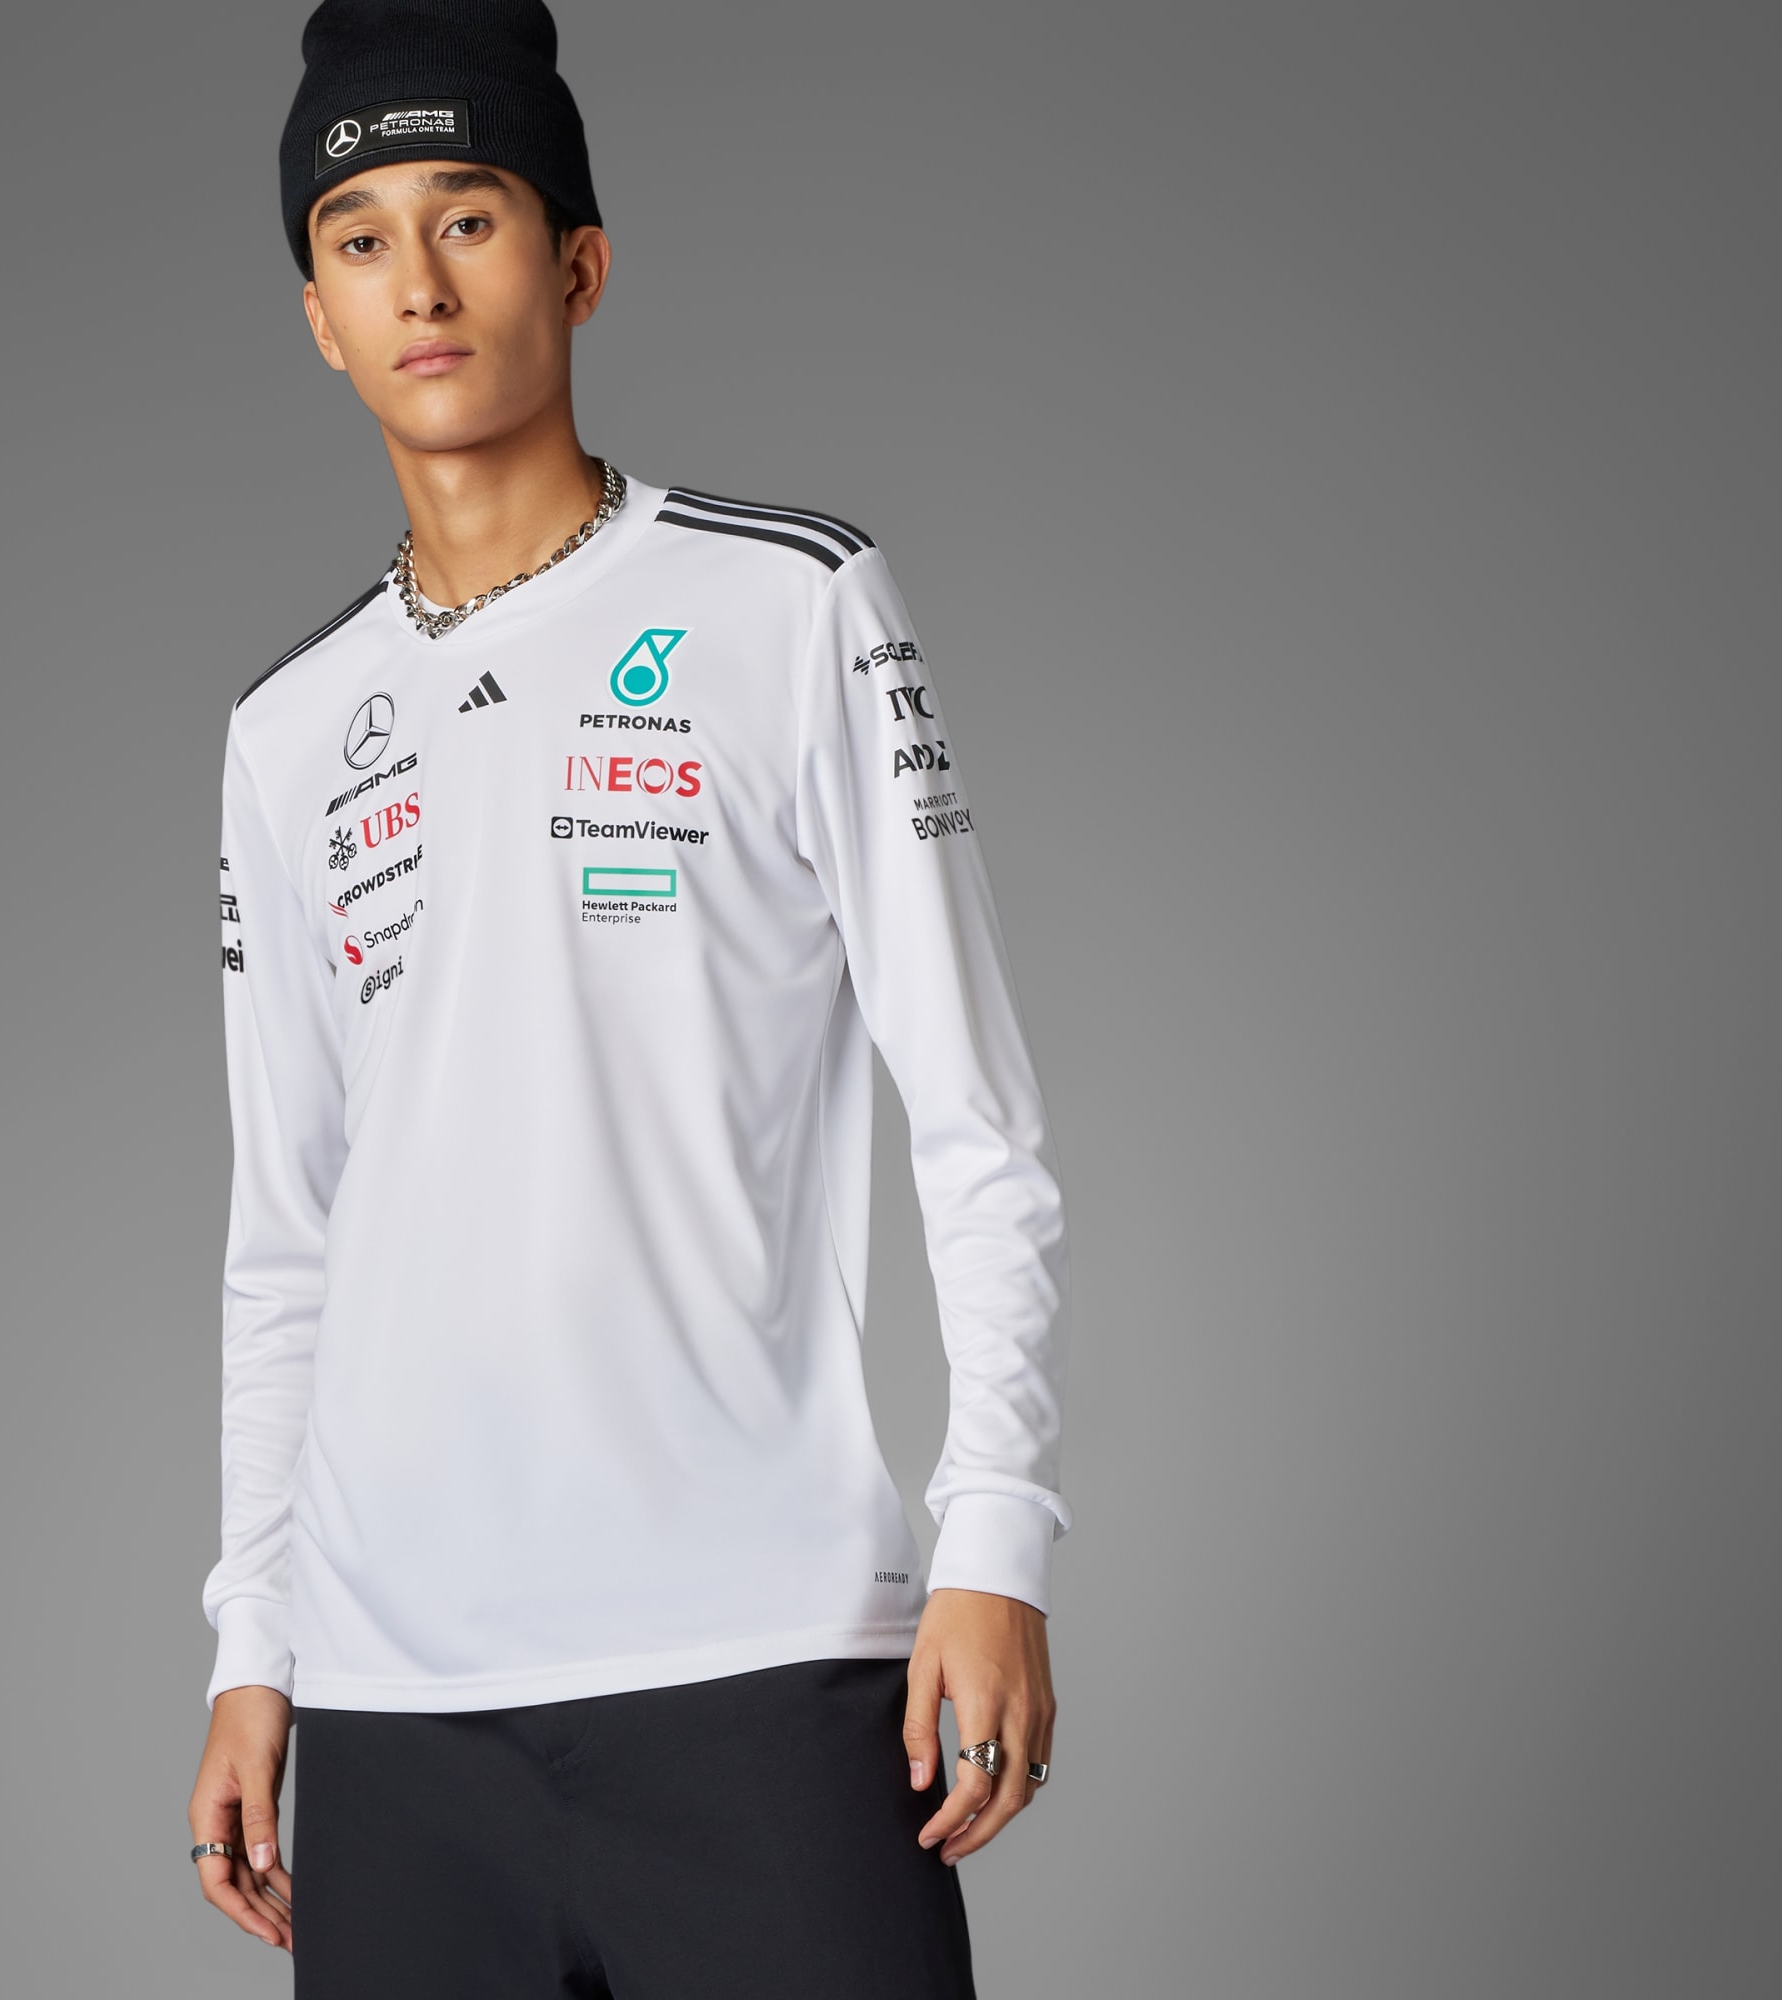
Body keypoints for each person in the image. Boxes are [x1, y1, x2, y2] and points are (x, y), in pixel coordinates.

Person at [185, 3, 1070, 1992]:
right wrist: (257, 1642)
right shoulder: (285, 734)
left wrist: (998, 1530)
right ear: (318, 315)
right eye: (358, 239)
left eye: (469, 218)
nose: (419, 283)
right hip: (396, 1715)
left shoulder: (792, 603)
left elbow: (974, 1120)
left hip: (757, 1669)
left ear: (577, 262)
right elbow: (288, 1238)